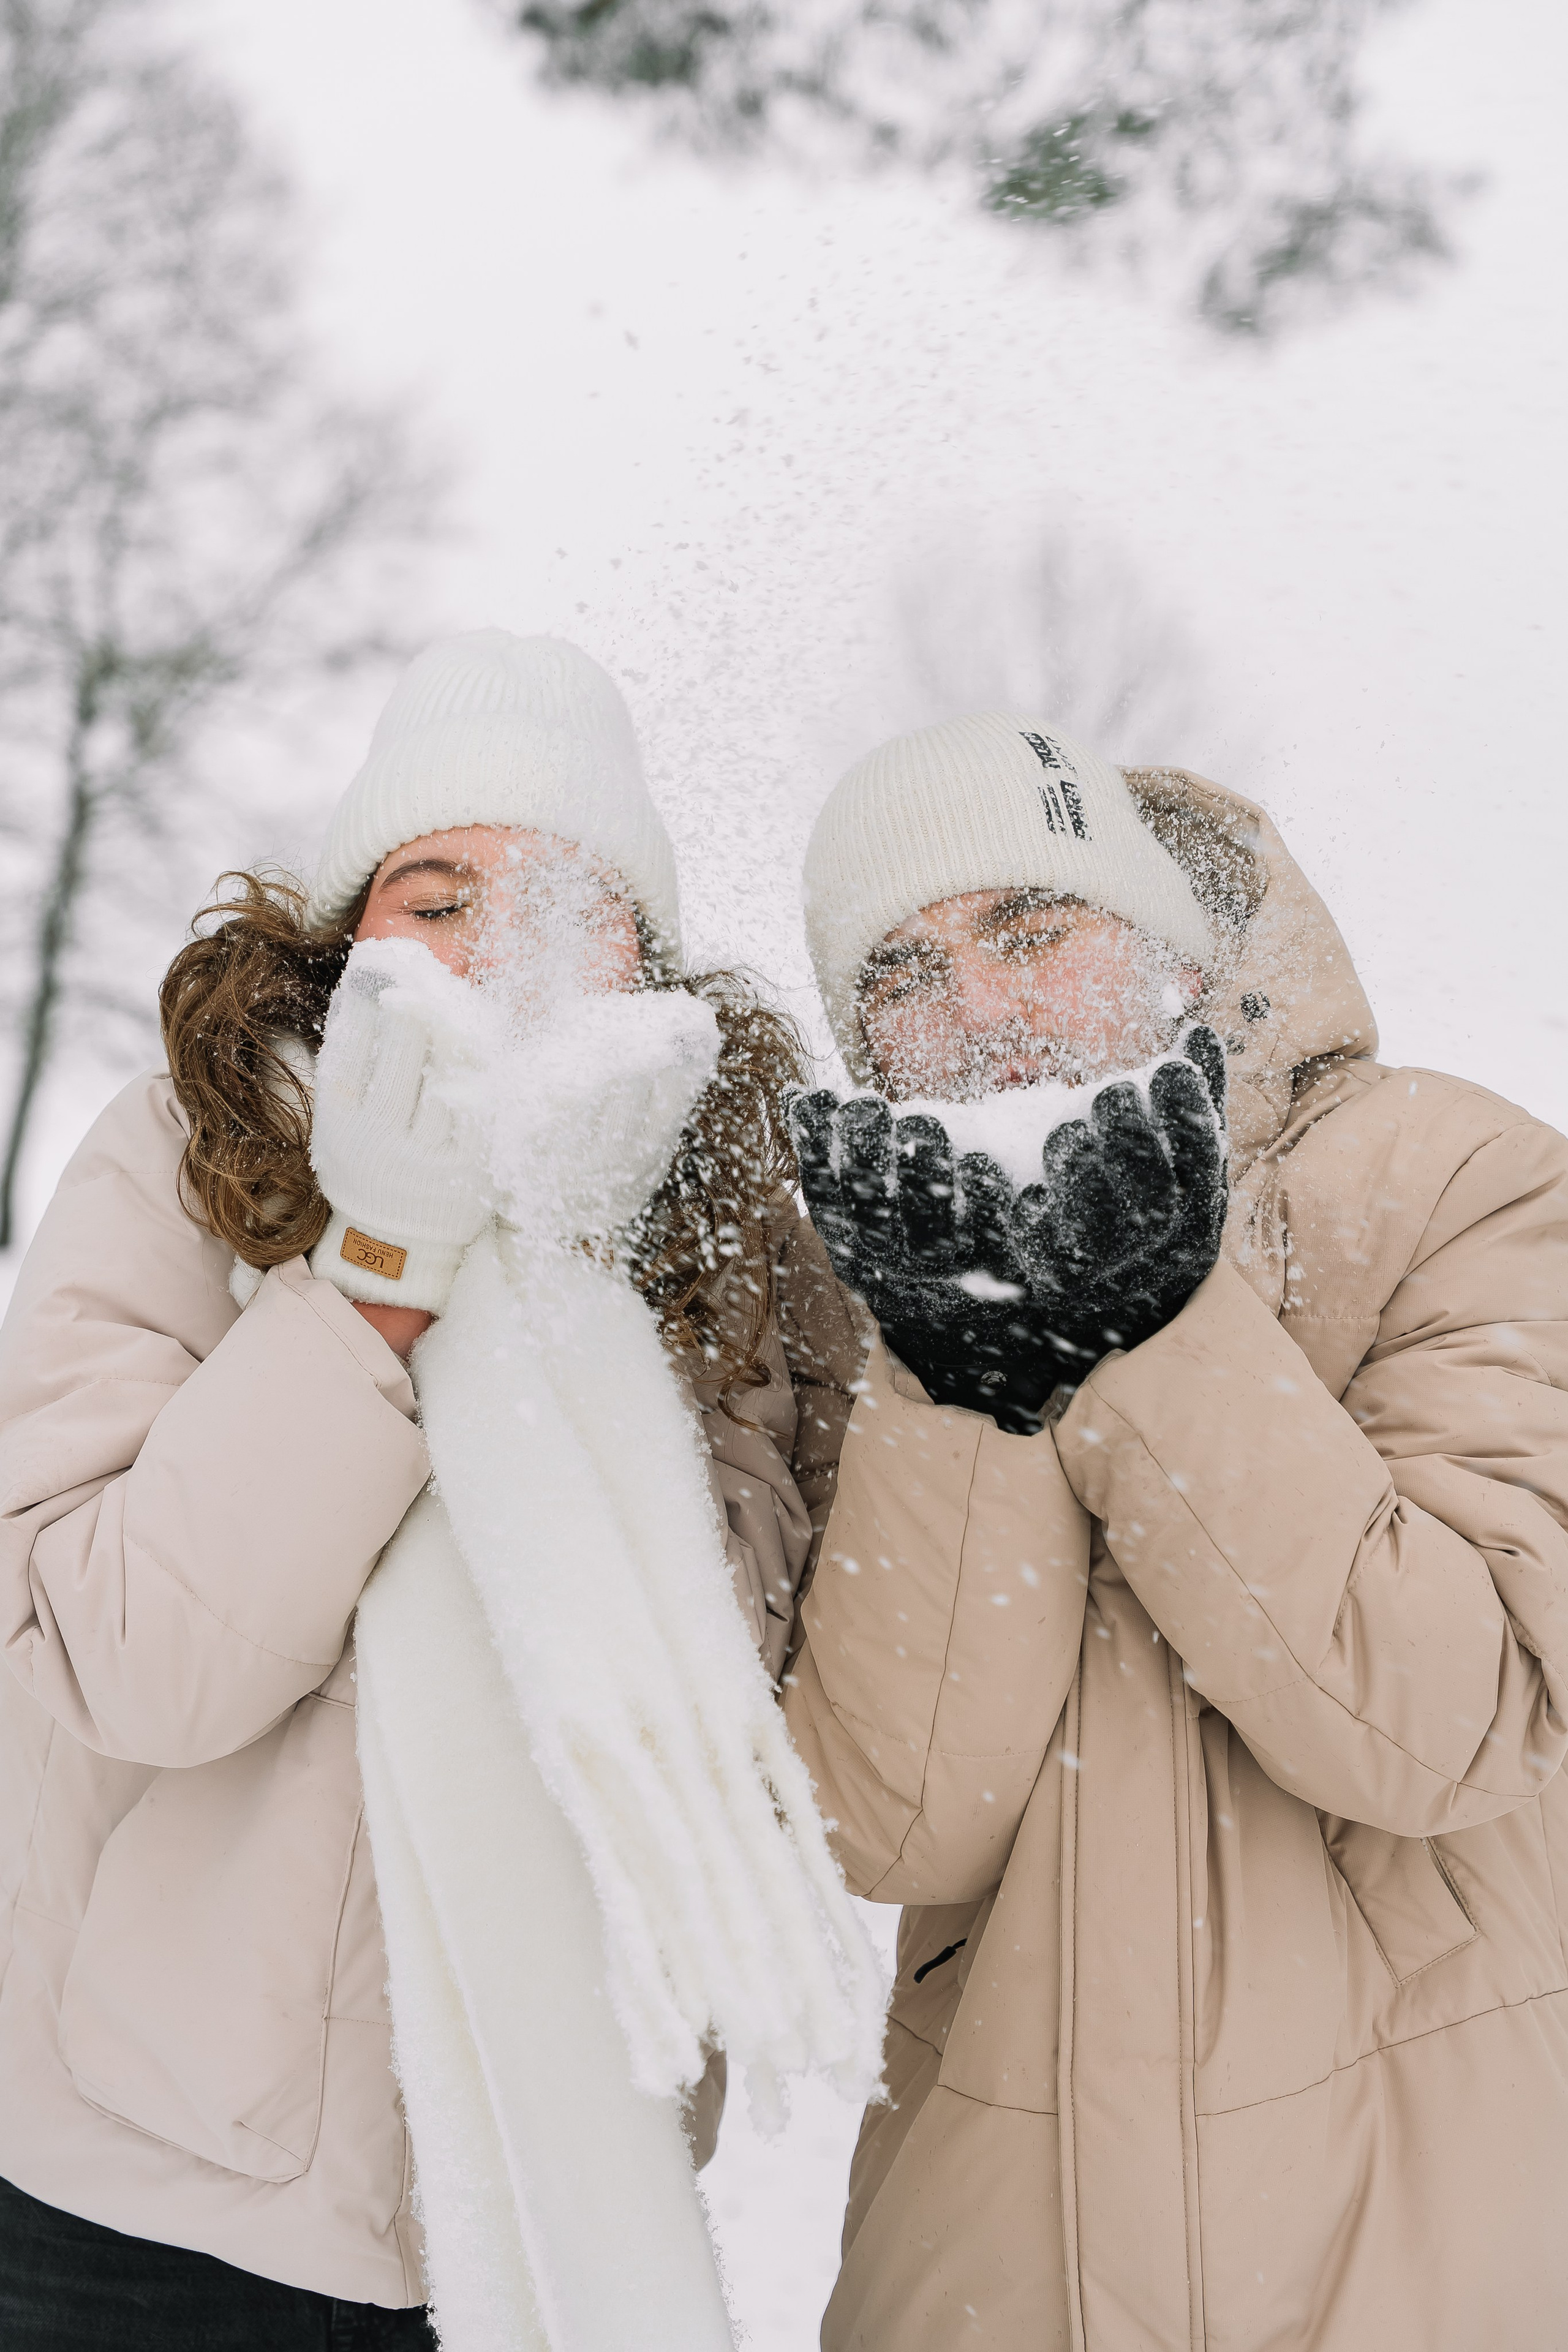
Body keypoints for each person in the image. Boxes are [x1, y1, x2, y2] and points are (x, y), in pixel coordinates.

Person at [0, 631, 843, 2349]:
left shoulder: (746, 1263)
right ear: (342, 931)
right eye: (433, 889)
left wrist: (583, 1304)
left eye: (557, 902)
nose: (482, 947)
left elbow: (754, 1708)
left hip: (526, 2225)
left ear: (638, 961)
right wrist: (381, 1269)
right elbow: (131, 1662)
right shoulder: (188, 1160)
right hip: (131, 2207)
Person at [780, 710, 1568, 2350]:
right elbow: (897, 1825)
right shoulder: (884, 1285)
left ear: (1174, 953)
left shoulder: (1456, 1180)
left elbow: (1442, 1727)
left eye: (1030, 928)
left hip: (1421, 2250)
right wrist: (959, 1359)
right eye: (904, 978)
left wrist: (1157, 1320)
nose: (980, 1016)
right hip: (996, 2270)